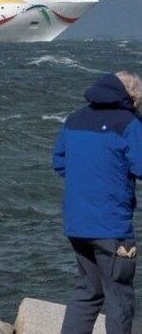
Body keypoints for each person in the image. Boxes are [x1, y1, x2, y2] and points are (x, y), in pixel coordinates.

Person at [53, 71, 142, 334]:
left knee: (88, 291)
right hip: (111, 226)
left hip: (77, 224)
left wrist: (90, 177)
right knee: (119, 296)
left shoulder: (74, 119)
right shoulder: (128, 123)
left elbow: (59, 161)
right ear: (131, 96)